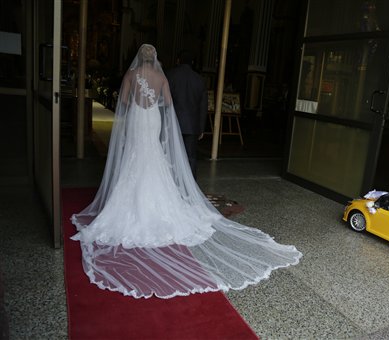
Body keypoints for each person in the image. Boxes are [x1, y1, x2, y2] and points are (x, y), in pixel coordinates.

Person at [70, 44, 302, 299]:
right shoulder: (161, 77)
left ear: (139, 58)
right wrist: (154, 101)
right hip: (153, 120)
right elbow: (167, 103)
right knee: (153, 156)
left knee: (134, 158)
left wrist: (139, 100)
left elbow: (123, 102)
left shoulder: (131, 75)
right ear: (155, 58)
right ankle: (159, 201)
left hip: (138, 119)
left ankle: (131, 202)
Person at [165, 50, 207, 179]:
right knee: (191, 157)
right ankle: (191, 185)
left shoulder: (170, 75)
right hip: (192, 125)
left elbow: (165, 102)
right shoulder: (200, 79)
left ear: (178, 60)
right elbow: (203, 106)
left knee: (171, 155)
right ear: (193, 62)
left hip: (173, 123)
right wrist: (201, 127)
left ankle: (173, 183)